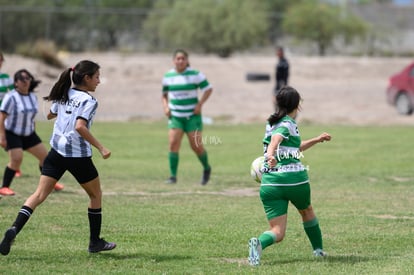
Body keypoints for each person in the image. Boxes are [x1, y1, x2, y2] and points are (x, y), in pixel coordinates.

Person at [0, 60, 116, 255]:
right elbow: (80, 126)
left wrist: (64, 110)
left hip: (56, 152)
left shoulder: (64, 93)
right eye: (96, 77)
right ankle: (95, 242)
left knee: (38, 195)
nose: (99, 81)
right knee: (95, 195)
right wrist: (101, 147)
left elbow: (50, 114)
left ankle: (14, 229)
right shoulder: (89, 101)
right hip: (77, 155)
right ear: (86, 78)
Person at [248, 86, 332, 266]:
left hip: (270, 183)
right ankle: (318, 250)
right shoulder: (287, 123)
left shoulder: (271, 123)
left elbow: (294, 147)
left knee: (277, 231)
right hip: (294, 180)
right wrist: (270, 154)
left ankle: (259, 244)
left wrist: (317, 140)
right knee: (306, 211)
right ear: (297, 106)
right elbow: (276, 140)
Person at [0, 69, 64, 196]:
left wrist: (33, 130)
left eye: (28, 79)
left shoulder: (32, 97)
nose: (25, 82)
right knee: (16, 159)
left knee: (46, 158)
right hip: (13, 133)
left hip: (29, 133)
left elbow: (31, 117)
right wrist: (2, 136)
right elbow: (2, 116)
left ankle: (50, 183)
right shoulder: (11, 97)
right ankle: (4, 187)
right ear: (16, 83)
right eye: (22, 79)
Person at [162, 49, 213, 185]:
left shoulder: (195, 75)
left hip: (192, 117)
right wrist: (166, 107)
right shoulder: (168, 76)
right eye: (177, 58)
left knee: (196, 146)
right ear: (174, 61)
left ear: (186, 60)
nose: (180, 61)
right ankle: (173, 176)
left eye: (182, 58)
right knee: (173, 144)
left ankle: (207, 168)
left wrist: (200, 104)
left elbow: (208, 89)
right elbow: (164, 94)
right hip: (176, 116)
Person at [0, 51, 22, 178]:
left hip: (3, 115)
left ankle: (15, 167)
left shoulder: (5, 78)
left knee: (8, 141)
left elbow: (15, 94)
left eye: (1, 60)